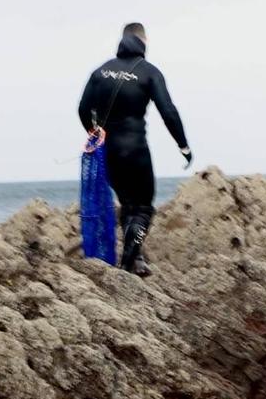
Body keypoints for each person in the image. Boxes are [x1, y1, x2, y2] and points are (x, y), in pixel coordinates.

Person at [77, 22, 190, 276]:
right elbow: (168, 112)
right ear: (144, 41)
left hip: (109, 153)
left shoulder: (100, 71)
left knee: (128, 204)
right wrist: (183, 145)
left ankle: (135, 258)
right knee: (143, 208)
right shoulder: (149, 73)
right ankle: (128, 262)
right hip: (136, 150)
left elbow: (83, 109)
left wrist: (95, 133)